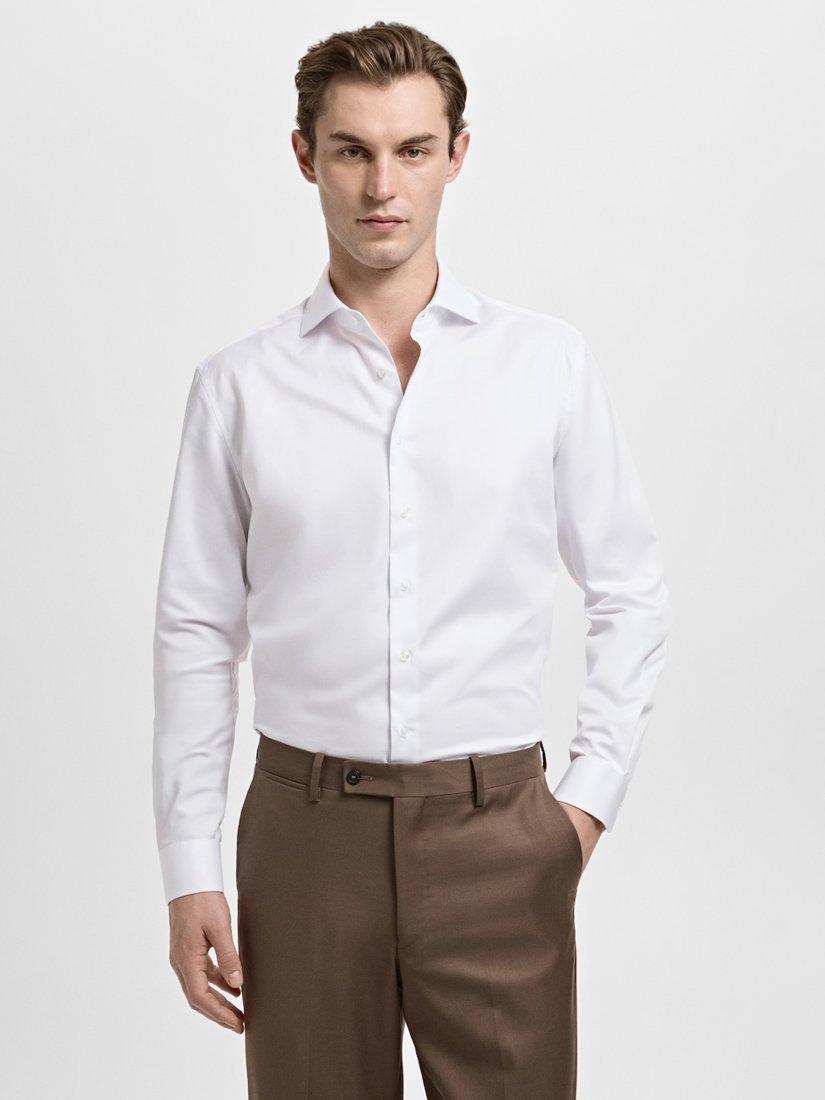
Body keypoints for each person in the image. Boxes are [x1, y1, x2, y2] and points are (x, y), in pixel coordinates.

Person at [152, 20, 671, 1099]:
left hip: (500, 834)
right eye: (352, 150)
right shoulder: (239, 387)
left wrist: (581, 810)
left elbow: (629, 591)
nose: (382, 185)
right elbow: (197, 632)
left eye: (412, 150)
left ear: (456, 155)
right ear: (306, 156)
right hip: (302, 840)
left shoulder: (545, 365)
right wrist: (189, 865)